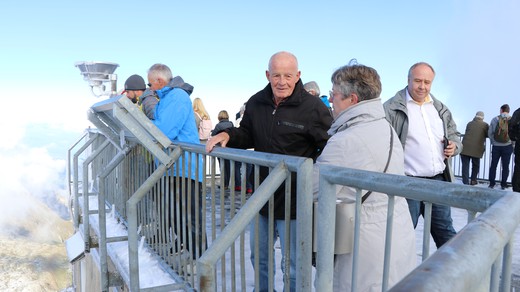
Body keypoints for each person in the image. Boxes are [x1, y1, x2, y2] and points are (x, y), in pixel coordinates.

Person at [206, 51, 333, 292]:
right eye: (276, 75)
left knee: (294, 264)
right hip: (262, 196)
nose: (282, 81)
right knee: (259, 257)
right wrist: (227, 134)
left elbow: (328, 145)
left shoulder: (313, 107)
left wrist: (308, 171)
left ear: (298, 76)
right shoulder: (256, 102)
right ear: (267, 75)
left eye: (288, 75)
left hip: (295, 200)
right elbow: (247, 134)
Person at [314, 61, 416, 291]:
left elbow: (311, 187)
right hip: (394, 231)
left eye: (334, 94)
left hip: (364, 241)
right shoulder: (384, 126)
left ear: (352, 99)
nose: (330, 100)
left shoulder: (347, 139)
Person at [384, 62, 460, 248]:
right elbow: (382, 142)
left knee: (445, 232)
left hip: (438, 181)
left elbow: (454, 135)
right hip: (407, 183)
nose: (422, 86)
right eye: (418, 81)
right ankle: (400, 276)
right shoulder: (391, 108)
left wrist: (455, 146)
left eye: (427, 82)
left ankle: (456, 275)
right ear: (408, 80)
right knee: (403, 235)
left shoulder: (439, 108)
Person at [148, 63, 205, 259]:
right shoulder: (168, 98)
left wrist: (145, 125)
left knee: (189, 218)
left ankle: (200, 260)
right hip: (175, 166)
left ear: (159, 81)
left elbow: (164, 131)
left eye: (150, 84)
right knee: (177, 216)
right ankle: (192, 254)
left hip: (184, 167)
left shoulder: (176, 97)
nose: (149, 88)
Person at [488, 104, 513, 190]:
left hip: (496, 146)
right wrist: (512, 143)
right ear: (508, 110)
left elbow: (490, 132)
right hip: (508, 146)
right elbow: (515, 133)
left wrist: (493, 142)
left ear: (501, 110)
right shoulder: (512, 119)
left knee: (493, 165)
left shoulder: (495, 119)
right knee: (505, 166)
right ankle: (503, 184)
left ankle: (491, 183)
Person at [460, 111, 489, 185]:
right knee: (475, 165)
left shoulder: (469, 123)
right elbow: (488, 134)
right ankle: (473, 180)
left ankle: (465, 182)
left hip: (465, 147)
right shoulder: (485, 125)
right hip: (477, 148)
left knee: (465, 166)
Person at [211, 110, 235, 189]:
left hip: (220, 149)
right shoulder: (231, 124)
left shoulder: (218, 125)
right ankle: (227, 184)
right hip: (229, 148)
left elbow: (213, 134)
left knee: (222, 167)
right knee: (228, 167)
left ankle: (224, 184)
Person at [509, 107, 520, 192]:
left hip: (519, 143)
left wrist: (514, 137)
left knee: (518, 166)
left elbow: (511, 125)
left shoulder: (518, 112)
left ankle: (516, 187)